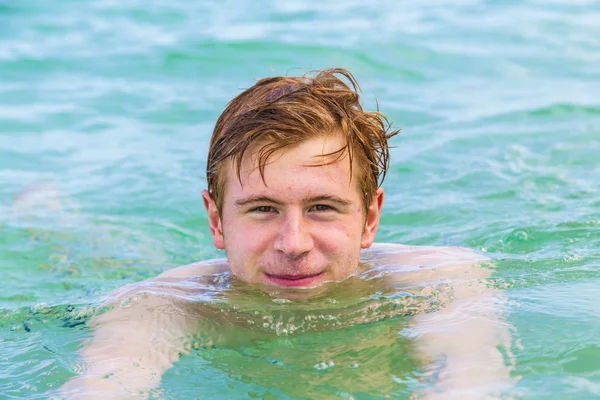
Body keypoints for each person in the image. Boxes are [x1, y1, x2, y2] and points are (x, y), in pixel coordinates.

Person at [59, 68, 515, 399]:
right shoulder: (160, 306)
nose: (293, 243)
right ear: (217, 221)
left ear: (369, 219)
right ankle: (54, 217)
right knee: (94, 255)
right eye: (262, 209)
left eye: (322, 207)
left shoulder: (441, 283)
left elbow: (470, 383)